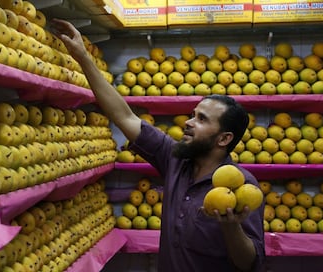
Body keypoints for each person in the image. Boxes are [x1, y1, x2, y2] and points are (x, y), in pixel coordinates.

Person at [51, 19, 265, 272]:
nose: (188, 122)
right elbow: (125, 116)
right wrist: (83, 57)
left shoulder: (242, 186)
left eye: (202, 119)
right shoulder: (175, 159)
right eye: (193, 114)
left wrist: (231, 226)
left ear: (224, 138)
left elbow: (249, 263)